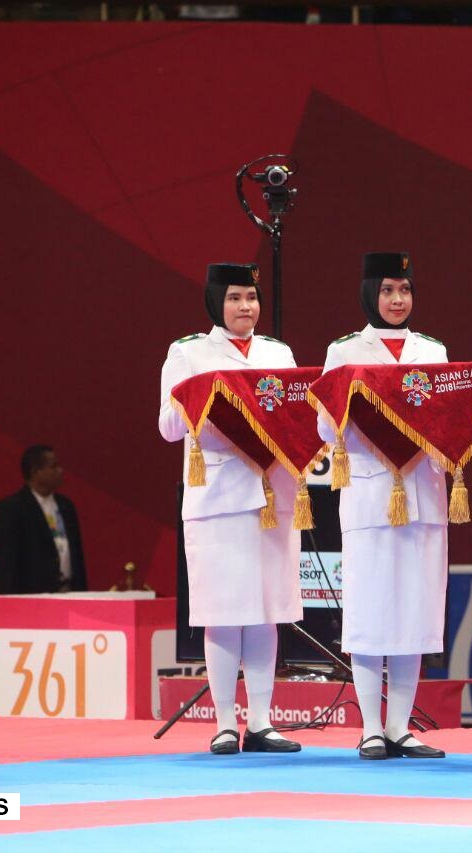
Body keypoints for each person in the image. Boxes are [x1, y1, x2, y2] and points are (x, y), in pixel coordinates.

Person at [158, 263, 303, 755]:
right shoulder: (188, 352)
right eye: (235, 297)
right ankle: (224, 722)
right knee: (221, 612)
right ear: (216, 302)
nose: (246, 307)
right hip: (217, 497)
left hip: (271, 495)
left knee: (266, 610)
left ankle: (261, 722)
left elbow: (295, 416)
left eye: (252, 297)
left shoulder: (278, 354)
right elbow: (168, 428)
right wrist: (203, 398)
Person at [317, 252, 447, 761]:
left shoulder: (433, 351)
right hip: (370, 491)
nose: (397, 300)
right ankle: (370, 726)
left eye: (405, 290)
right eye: (388, 290)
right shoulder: (344, 350)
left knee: (414, 611)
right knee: (371, 612)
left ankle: (400, 728)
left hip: (423, 494)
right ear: (371, 293)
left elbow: (446, 420)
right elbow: (324, 427)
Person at [0, 445, 88, 594]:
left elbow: (77, 557)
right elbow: (7, 562)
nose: (60, 470)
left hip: (68, 592)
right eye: (53, 466)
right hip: (32, 595)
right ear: (35, 472)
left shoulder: (66, 506)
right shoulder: (12, 508)